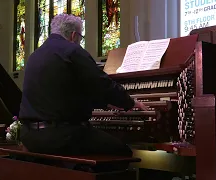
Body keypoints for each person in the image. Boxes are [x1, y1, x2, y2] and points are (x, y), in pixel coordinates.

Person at [19, 14, 148, 157]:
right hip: (60, 137)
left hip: (30, 136)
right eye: (81, 38)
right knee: (122, 152)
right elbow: (102, 84)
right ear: (74, 35)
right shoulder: (72, 51)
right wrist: (129, 102)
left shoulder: (34, 56)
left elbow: (65, 93)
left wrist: (106, 103)